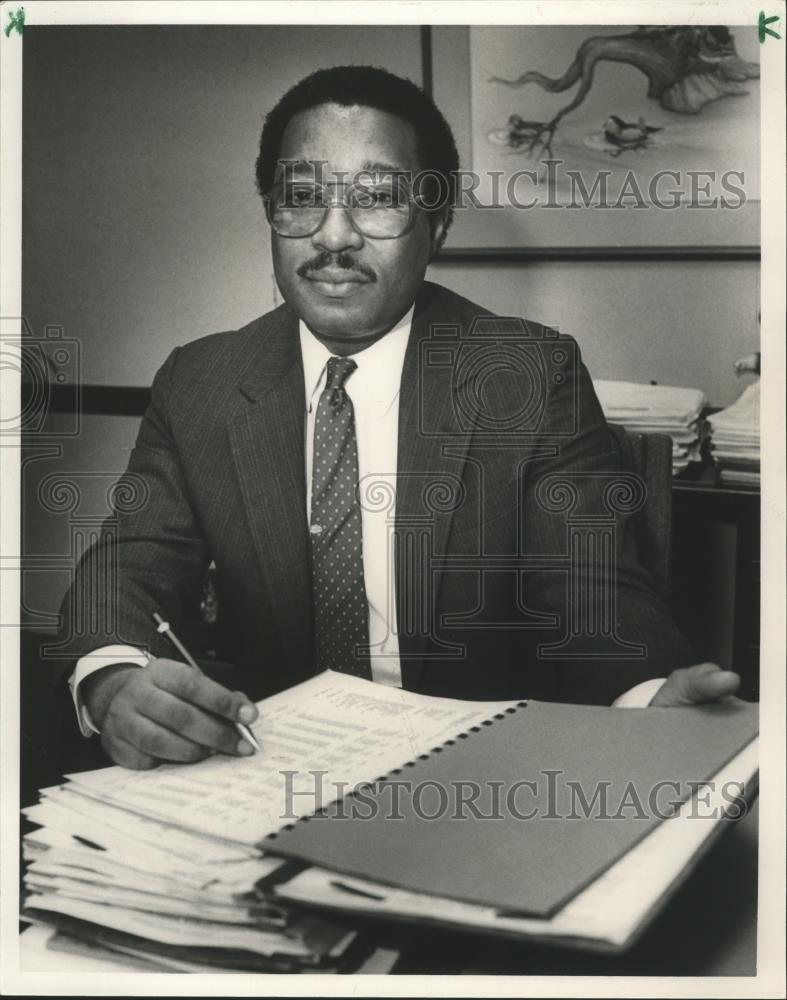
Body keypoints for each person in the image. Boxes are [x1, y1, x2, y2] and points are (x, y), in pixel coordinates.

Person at [58, 66, 740, 771]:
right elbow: (126, 569)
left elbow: (589, 590)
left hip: (473, 774)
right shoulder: (199, 381)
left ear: (437, 223)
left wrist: (645, 697)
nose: (332, 235)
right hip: (264, 764)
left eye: (377, 199)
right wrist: (111, 681)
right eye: (300, 198)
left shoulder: (526, 375)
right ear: (270, 211)